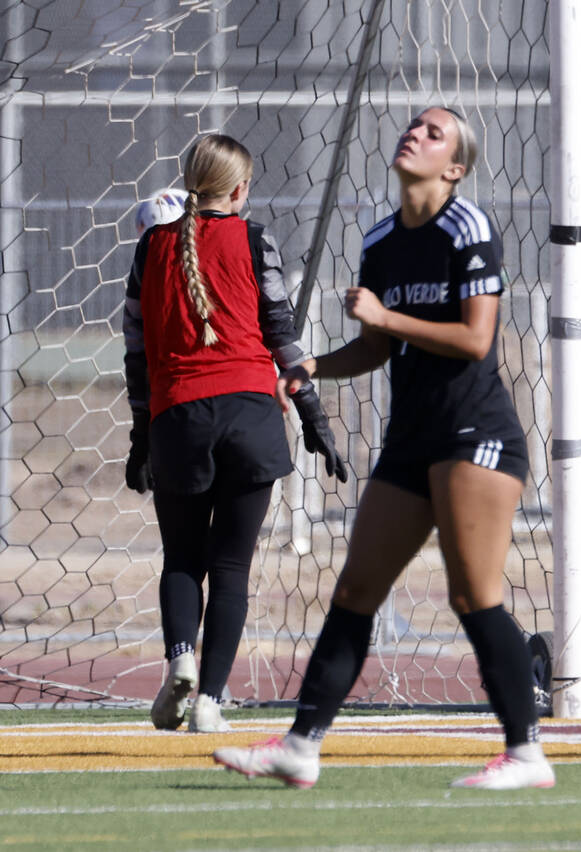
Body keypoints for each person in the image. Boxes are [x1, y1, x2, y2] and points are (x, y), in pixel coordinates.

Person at [212, 106, 553, 790]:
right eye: (415, 126)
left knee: (472, 593)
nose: (416, 134)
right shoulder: (381, 238)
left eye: (435, 133)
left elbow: (476, 340)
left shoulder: (469, 227)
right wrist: (313, 365)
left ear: (454, 167)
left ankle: (525, 754)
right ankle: (301, 746)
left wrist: (387, 316)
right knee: (357, 588)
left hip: (475, 434)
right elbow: (376, 347)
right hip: (411, 440)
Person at [124, 134, 346, 734]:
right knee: (230, 569)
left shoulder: (150, 248)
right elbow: (282, 337)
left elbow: (136, 352)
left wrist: (141, 439)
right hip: (250, 415)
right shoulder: (254, 239)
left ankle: (180, 662)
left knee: (181, 561)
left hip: (178, 418)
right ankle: (211, 702)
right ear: (241, 189)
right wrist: (313, 419)